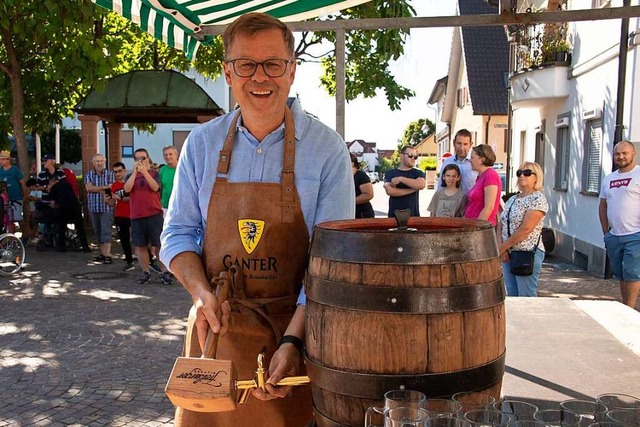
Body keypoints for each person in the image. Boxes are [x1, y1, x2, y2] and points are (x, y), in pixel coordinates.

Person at [159, 12, 354, 426]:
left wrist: (292, 340)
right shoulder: (202, 144)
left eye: (273, 64)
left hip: (293, 335)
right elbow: (177, 234)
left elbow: (330, 262)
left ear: (292, 70)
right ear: (228, 73)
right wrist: (199, 293)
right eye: (245, 64)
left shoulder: (327, 149)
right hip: (216, 333)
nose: (260, 77)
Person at [497, 162, 548, 296]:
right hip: (508, 253)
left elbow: (526, 229)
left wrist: (503, 247)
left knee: (526, 296)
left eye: (527, 173)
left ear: (536, 177)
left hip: (527, 252)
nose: (522, 176)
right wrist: (501, 247)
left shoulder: (538, 199)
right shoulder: (512, 199)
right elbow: (501, 223)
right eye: (519, 173)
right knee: (512, 295)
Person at [599, 141, 640, 308]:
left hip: (635, 234)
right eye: (618, 154)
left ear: (633, 154)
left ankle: (629, 310)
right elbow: (603, 205)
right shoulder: (609, 178)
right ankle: (625, 307)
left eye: (625, 153)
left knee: (632, 273)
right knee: (622, 274)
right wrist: (606, 232)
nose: (621, 156)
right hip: (614, 235)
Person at [125, 149, 172, 285]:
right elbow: (127, 189)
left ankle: (164, 271)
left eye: (143, 158)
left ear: (148, 159)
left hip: (154, 214)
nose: (141, 161)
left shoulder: (155, 174)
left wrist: (145, 172)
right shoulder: (130, 176)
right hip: (137, 215)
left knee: (158, 245)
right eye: (138, 158)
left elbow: (155, 187)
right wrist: (135, 172)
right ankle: (146, 271)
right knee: (140, 246)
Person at [47, 175, 91, 253]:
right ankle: (85, 246)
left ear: (52, 182)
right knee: (80, 227)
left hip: (63, 208)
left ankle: (62, 246)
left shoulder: (53, 188)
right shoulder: (66, 184)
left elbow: (53, 204)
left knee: (61, 226)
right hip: (75, 206)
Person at [84, 153, 114, 263]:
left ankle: (108, 254)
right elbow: (88, 188)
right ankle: (102, 253)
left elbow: (111, 188)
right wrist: (103, 188)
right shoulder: (89, 174)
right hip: (93, 207)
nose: (99, 163)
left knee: (106, 231)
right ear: (93, 163)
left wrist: (95, 188)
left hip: (106, 207)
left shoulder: (110, 174)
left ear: (104, 162)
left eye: (101, 161)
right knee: (97, 231)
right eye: (97, 161)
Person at [106, 162, 135, 272]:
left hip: (133, 214)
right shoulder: (113, 186)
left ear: (124, 171)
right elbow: (112, 204)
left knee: (139, 239)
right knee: (124, 239)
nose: (117, 174)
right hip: (120, 215)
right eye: (115, 172)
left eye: (119, 171)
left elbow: (133, 198)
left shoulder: (130, 183)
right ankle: (129, 261)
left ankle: (149, 260)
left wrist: (120, 198)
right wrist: (109, 199)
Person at [464, 144, 502, 226]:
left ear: (481, 159)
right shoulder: (480, 176)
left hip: (481, 229)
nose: (470, 160)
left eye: (472, 157)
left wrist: (476, 227)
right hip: (471, 224)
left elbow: (489, 207)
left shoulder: (490, 175)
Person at [383, 146, 426, 217]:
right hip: (394, 216)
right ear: (401, 156)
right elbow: (390, 191)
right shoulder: (390, 173)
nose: (413, 158)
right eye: (410, 155)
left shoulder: (417, 173)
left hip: (413, 216)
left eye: (415, 157)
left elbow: (421, 185)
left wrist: (401, 179)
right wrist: (413, 189)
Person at [438, 129, 477, 194]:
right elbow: (441, 186)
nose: (461, 148)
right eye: (459, 143)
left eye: (465, 144)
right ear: (454, 143)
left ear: (470, 145)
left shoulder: (475, 163)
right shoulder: (448, 162)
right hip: (451, 202)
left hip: (470, 203)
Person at [0, 150, 26, 234]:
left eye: (4, 159)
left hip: (16, 198)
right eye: (1, 159)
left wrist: (24, 195)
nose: (2, 161)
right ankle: (12, 239)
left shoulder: (15, 170)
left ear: (8, 160)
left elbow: (22, 183)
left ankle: (25, 235)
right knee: (9, 220)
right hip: (5, 199)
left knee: (18, 218)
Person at [351, 153, 375, 218]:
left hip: (363, 214)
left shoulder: (361, 176)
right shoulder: (347, 177)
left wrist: (350, 202)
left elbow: (368, 195)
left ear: (352, 163)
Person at [159, 145, 179, 216]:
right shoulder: (162, 170)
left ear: (176, 155)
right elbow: (159, 188)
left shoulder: (183, 169)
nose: (168, 157)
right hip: (166, 207)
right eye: (165, 155)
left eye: (170, 154)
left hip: (180, 206)